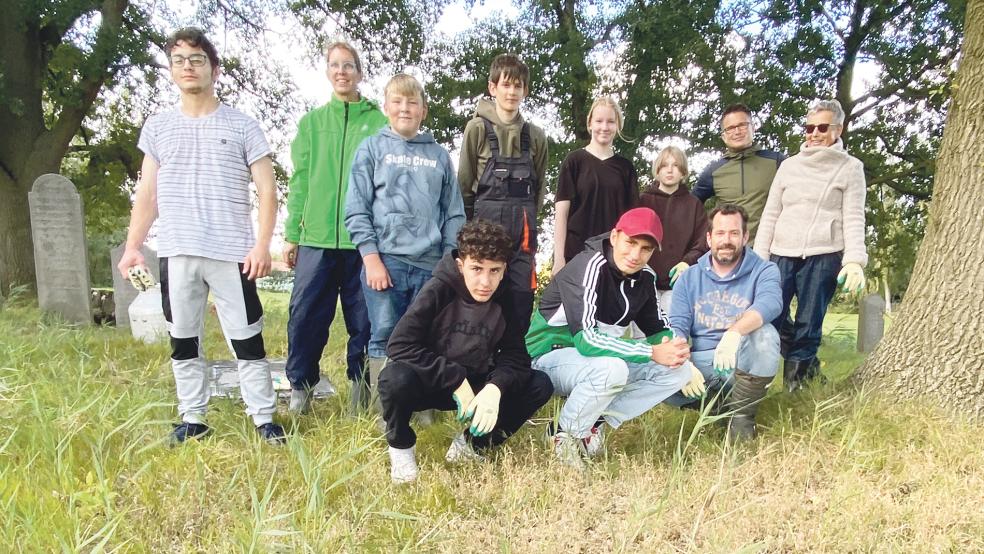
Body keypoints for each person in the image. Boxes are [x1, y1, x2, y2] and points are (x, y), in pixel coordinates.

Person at [117, 27, 285, 445]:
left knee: (248, 338)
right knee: (183, 338)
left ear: (214, 68)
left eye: (196, 59)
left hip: (232, 251)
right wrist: (132, 246)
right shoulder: (158, 128)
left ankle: (263, 418)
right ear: (171, 69)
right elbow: (148, 192)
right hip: (178, 249)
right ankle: (193, 417)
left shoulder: (243, 125)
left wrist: (262, 244)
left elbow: (267, 189)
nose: (188, 67)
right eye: (179, 60)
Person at [379, 220, 554, 483]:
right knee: (393, 378)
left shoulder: (508, 298)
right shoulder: (439, 288)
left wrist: (495, 388)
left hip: (477, 384)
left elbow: (515, 356)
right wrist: (454, 378)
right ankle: (401, 447)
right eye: (476, 269)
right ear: (461, 266)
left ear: (505, 269)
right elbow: (400, 344)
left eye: (495, 270)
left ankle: (473, 444)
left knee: (539, 384)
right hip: (430, 381)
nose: (485, 281)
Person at [526, 207, 701, 467]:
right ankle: (563, 434)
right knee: (612, 369)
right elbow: (587, 341)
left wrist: (679, 355)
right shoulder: (589, 265)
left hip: (593, 358)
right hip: (548, 357)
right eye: (630, 243)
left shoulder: (646, 277)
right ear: (615, 236)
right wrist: (651, 353)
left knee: (678, 372)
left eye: (646, 249)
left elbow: (658, 330)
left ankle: (592, 425)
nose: (635, 255)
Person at [282, 41, 388, 416]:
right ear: (328, 72)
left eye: (349, 65)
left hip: (365, 242)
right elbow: (300, 180)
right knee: (305, 315)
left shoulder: (379, 123)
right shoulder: (312, 124)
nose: (341, 71)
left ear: (360, 72)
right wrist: (292, 233)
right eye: (334, 65)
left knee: (365, 319)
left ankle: (360, 389)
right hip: (317, 237)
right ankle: (301, 387)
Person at [344, 73, 466, 400]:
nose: (405, 108)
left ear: (424, 110)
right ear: (385, 107)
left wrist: (448, 261)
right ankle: (386, 408)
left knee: (423, 336)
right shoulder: (371, 149)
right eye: (397, 101)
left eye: (412, 102)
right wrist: (371, 258)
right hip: (386, 262)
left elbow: (454, 212)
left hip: (430, 266)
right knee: (383, 334)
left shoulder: (439, 156)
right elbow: (356, 208)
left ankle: (421, 404)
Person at [753, 99, 867, 391]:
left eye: (822, 127)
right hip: (781, 253)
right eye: (809, 127)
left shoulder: (850, 167)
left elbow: (853, 215)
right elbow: (771, 214)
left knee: (809, 321)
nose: (814, 133)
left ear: (838, 129)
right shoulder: (789, 166)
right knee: (771, 314)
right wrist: (759, 259)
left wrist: (854, 260)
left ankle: (796, 383)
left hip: (824, 254)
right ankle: (801, 366)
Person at [669, 204, 782, 440]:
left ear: (745, 237)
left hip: (740, 360)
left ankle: (742, 418)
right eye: (720, 233)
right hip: (703, 363)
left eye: (734, 233)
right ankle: (718, 407)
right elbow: (677, 325)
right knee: (654, 366)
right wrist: (682, 362)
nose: (726, 240)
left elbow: (771, 303)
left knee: (766, 334)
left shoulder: (765, 270)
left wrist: (734, 333)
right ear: (709, 238)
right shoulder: (688, 277)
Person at [457, 54, 548, 335]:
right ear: (493, 87)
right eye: (506, 85)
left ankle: (515, 368)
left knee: (520, 300)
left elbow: (539, 189)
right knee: (483, 301)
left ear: (525, 91)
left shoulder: (535, 136)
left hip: (522, 231)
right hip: (485, 228)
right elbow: (464, 184)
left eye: (518, 86)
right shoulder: (477, 129)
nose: (512, 92)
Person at [552, 97, 638, 274]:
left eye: (610, 122)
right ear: (590, 123)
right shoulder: (574, 161)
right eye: (599, 121)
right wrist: (558, 258)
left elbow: (632, 220)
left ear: (618, 126)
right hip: (576, 255)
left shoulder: (626, 168)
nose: (604, 127)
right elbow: (561, 214)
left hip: (614, 258)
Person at [693, 104, 784, 240]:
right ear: (723, 136)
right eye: (730, 128)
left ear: (753, 127)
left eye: (742, 125)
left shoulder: (776, 161)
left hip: (770, 249)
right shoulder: (714, 170)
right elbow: (690, 207)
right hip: (729, 250)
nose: (737, 132)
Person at [639, 146, 708, 311]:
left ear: (683, 172)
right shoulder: (642, 200)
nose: (670, 170)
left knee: (671, 332)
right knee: (642, 335)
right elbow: (633, 238)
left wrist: (687, 262)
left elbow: (702, 240)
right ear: (657, 169)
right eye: (664, 165)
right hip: (644, 281)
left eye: (676, 165)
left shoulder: (693, 205)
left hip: (677, 283)